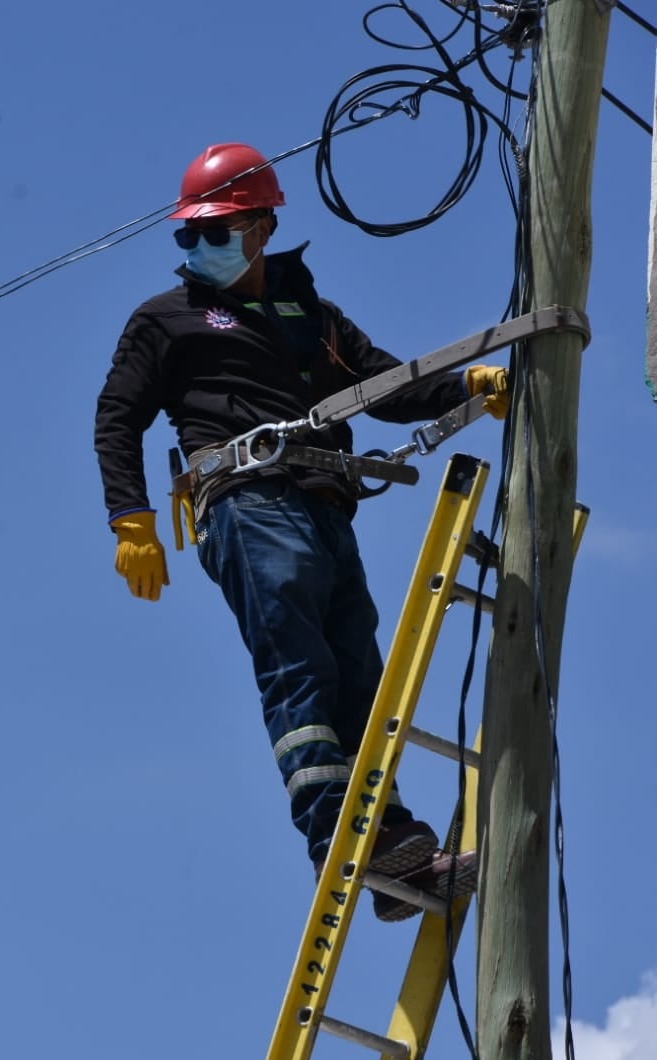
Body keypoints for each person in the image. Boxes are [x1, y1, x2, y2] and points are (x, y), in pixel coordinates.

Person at [93, 143, 499, 922]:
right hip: (247, 502)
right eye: (189, 233)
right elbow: (117, 418)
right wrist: (130, 520)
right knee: (301, 667)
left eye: (214, 230)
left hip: (326, 507)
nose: (198, 245)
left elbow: (385, 387)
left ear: (262, 227)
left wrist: (464, 389)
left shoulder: (312, 319)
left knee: (358, 676)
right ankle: (334, 835)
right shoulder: (165, 319)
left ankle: (390, 844)